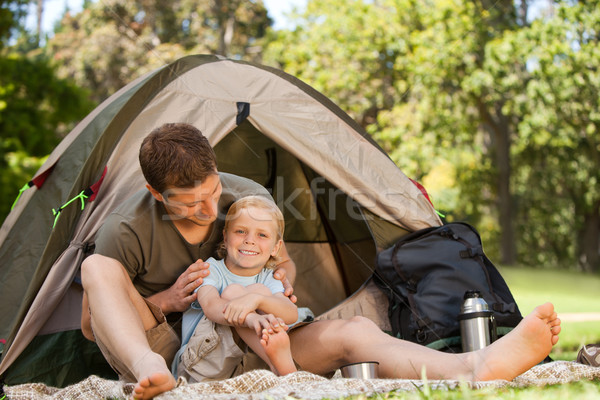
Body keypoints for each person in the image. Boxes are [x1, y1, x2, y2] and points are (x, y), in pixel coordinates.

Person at [81, 122, 561, 400]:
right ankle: (152, 374)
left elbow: (282, 265)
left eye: (212, 194)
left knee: (355, 333)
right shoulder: (127, 228)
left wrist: (277, 289)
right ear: (155, 193)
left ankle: (474, 368)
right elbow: (90, 324)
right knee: (95, 269)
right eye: (188, 203)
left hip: (263, 342)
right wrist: (165, 300)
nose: (210, 212)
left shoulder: (245, 197)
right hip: (174, 351)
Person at [174, 195, 298, 381]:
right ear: (225, 237)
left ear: (276, 247)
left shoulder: (268, 277)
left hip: (245, 364)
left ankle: (277, 363)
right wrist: (250, 318)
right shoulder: (211, 269)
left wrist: (258, 300)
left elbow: (291, 313)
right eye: (240, 231)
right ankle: (282, 368)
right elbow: (211, 306)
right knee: (233, 292)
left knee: (263, 293)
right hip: (201, 365)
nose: (249, 240)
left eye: (262, 235)